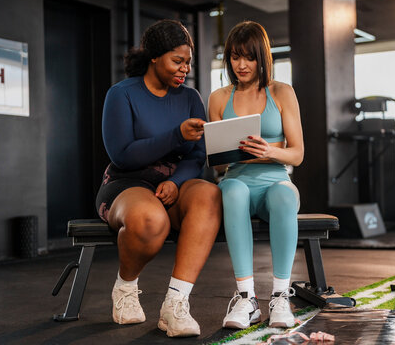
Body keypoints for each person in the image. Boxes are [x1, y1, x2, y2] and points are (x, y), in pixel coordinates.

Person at [95, 19, 222, 337]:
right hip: (127, 183)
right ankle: (125, 287)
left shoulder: (191, 98)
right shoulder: (121, 94)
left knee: (210, 194)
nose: (184, 69)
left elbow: (196, 156)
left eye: (188, 62)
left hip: (172, 183)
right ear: (154, 56)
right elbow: (123, 154)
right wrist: (176, 134)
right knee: (152, 222)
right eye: (177, 61)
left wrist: (177, 183)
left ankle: (175, 304)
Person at [208, 21, 304, 330]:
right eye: (235, 57)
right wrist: (219, 152)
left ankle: (279, 297)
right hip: (237, 180)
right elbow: (218, 167)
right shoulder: (219, 98)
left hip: (274, 178)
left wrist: (270, 152)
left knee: (285, 194)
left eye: (248, 57)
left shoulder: (282, 92)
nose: (241, 65)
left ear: (261, 57)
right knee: (231, 190)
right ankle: (247, 298)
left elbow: (298, 154)